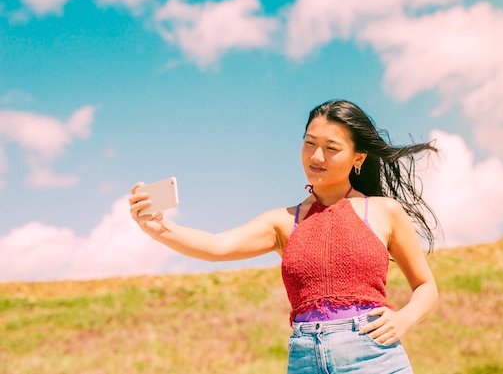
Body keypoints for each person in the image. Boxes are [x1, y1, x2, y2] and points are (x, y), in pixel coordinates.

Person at [129, 99, 439, 373]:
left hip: (372, 356)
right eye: (309, 143)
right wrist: (160, 229)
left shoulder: (385, 212)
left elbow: (425, 286)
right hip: (305, 359)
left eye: (331, 148)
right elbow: (217, 247)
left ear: (358, 158)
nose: (316, 156)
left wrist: (404, 319)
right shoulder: (283, 222)